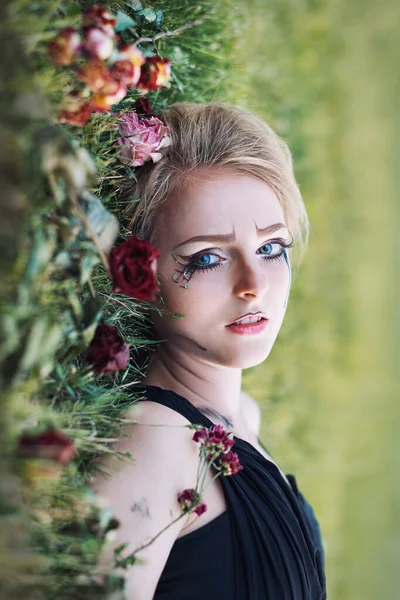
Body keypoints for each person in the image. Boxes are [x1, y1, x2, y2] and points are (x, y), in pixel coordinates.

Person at [91, 102, 327, 599]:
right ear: (137, 272)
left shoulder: (245, 417)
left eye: (270, 248)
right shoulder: (153, 444)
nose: (253, 285)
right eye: (208, 258)